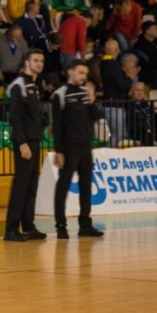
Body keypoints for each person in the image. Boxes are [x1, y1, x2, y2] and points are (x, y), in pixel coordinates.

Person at [51, 60, 104, 239]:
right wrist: (58, 150)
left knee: (86, 185)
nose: (84, 77)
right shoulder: (60, 94)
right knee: (63, 185)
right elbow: (57, 125)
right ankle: (61, 226)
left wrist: (92, 100)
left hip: (85, 145)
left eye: (86, 74)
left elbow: (95, 117)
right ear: (70, 72)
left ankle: (85, 225)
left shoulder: (84, 92)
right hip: (68, 146)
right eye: (81, 73)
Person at [5, 49, 47, 242]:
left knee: (31, 185)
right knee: (21, 185)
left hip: (35, 140)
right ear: (26, 62)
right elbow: (15, 116)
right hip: (25, 142)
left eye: (41, 61)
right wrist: (22, 143)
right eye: (35, 60)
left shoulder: (34, 85)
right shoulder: (18, 85)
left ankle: (28, 226)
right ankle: (11, 229)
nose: (39, 63)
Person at [127, 81, 157, 147]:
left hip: (151, 130)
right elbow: (133, 122)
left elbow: (156, 117)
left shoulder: (147, 104)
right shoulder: (129, 104)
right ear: (132, 91)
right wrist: (146, 128)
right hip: (138, 130)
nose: (140, 93)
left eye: (142, 90)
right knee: (148, 136)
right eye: (137, 90)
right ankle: (151, 156)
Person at [133, 20, 157, 88]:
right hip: (147, 72)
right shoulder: (140, 45)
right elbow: (145, 63)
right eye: (155, 29)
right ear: (147, 31)